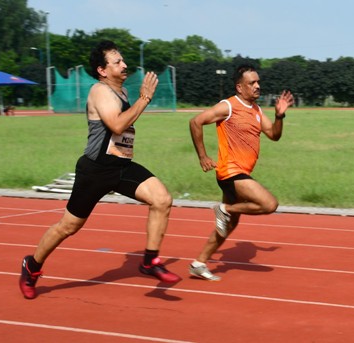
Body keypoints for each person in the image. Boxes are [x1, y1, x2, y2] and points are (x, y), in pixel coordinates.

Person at [19, 40, 181, 300]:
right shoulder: (99, 91)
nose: (124, 64)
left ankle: (149, 261)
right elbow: (117, 126)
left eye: (123, 60)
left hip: (121, 166)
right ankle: (32, 265)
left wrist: (139, 101)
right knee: (68, 227)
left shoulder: (123, 93)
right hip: (95, 170)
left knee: (162, 199)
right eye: (117, 62)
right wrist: (145, 98)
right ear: (102, 70)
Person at [188, 64, 294, 281]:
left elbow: (274, 135)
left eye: (258, 82)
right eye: (252, 83)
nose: (257, 86)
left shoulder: (256, 110)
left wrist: (279, 116)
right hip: (230, 172)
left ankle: (199, 263)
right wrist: (203, 156)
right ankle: (224, 208)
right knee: (269, 204)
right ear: (239, 87)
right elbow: (195, 121)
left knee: (230, 223)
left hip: (241, 172)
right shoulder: (228, 106)